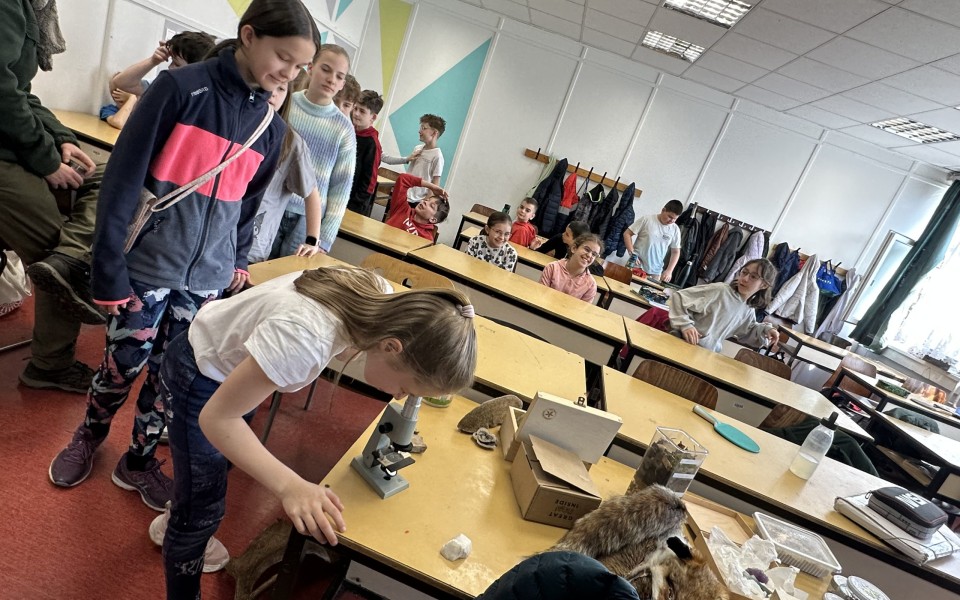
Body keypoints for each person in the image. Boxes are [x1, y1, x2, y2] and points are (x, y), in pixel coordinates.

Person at [47, 0, 320, 516]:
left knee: (171, 381)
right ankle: (88, 435)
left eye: (299, 66)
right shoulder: (180, 89)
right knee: (122, 366)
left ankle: (138, 460)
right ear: (249, 36)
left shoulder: (271, 129)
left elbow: (247, 207)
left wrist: (237, 261)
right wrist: (109, 270)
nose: (290, 73)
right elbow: (121, 181)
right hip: (146, 268)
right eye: (284, 57)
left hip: (206, 283)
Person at [155, 265, 477, 597]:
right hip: (199, 373)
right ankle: (184, 531)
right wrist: (290, 486)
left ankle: (181, 511)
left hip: (229, 368)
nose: (398, 396)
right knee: (201, 510)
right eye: (406, 388)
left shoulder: (380, 298)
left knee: (214, 468)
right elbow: (218, 420)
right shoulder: (305, 338)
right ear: (392, 347)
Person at [3, 0, 100, 393]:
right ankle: (51, 365)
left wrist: (62, 139)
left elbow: (22, 93)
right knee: (53, 251)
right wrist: (46, 159)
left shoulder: (25, 7)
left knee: (106, 175)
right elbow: (3, 94)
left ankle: (74, 253)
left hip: (13, 147)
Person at [274, 43, 356, 255]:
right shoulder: (285, 104)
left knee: (288, 274)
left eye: (339, 76)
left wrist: (325, 239)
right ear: (310, 67)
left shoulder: (344, 129)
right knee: (253, 267)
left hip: (308, 222)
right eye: (326, 69)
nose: (331, 79)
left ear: (342, 84)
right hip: (270, 205)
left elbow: (341, 189)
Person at [247, 71, 324, 264]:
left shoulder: (292, 142)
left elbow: (312, 194)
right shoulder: (239, 127)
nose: (273, 93)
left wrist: (312, 241)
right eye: (271, 85)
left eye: (281, 89)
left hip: (253, 251)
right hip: (217, 240)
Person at [667, 258, 780, 353]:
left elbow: (749, 330)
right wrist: (685, 325)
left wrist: (767, 330)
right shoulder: (720, 290)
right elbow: (679, 297)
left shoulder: (748, 309)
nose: (745, 279)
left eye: (753, 277)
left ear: (764, 285)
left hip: (705, 353)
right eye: (744, 272)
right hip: (682, 344)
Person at [110, 31, 216, 97]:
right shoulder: (166, 87)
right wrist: (153, 61)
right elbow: (121, 83)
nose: (170, 67)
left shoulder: (201, 100)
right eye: (172, 61)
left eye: (177, 64)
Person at [381, 113, 445, 203]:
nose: (419, 131)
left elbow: (435, 184)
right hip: (402, 195)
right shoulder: (417, 148)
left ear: (434, 133)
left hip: (416, 201)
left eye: (424, 128)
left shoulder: (437, 156)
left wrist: (426, 200)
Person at [623, 200, 683, 283]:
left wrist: (669, 271)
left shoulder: (675, 229)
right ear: (663, 210)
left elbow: (675, 252)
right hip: (636, 265)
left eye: (675, 219)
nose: (671, 221)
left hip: (656, 271)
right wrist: (631, 252)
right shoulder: (647, 219)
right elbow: (627, 234)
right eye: (670, 217)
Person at [347, 89, 384, 217]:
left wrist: (353, 205)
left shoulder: (372, 144)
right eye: (355, 108)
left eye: (362, 111)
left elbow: (369, 182)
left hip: (354, 205)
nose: (356, 113)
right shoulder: (349, 132)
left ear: (373, 117)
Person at [539, 234, 602, 303]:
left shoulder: (591, 284)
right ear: (574, 248)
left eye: (594, 254)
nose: (589, 255)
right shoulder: (552, 268)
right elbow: (540, 295)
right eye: (586, 249)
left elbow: (582, 308)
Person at [385, 174, 449, 240]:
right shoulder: (401, 208)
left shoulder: (426, 238)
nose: (425, 202)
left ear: (433, 219)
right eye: (427, 200)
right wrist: (431, 187)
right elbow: (403, 179)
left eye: (431, 206)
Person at [538, 220, 604, 276]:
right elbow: (541, 250)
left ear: (577, 240)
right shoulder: (559, 238)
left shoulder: (584, 254)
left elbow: (600, 271)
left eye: (567, 234)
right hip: (555, 272)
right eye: (565, 231)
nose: (563, 234)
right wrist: (533, 247)